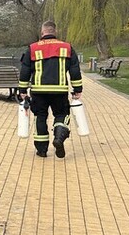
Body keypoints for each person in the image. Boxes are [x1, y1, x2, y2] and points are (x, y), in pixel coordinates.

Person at [17, 20, 83, 158]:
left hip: (39, 91)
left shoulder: (33, 48)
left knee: (40, 117)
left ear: (42, 32)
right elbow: (75, 69)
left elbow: (25, 71)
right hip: (59, 91)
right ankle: (59, 137)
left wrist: (22, 90)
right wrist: (77, 88)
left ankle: (42, 150)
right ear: (55, 31)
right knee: (61, 115)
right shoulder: (67, 47)